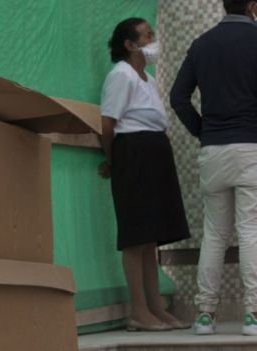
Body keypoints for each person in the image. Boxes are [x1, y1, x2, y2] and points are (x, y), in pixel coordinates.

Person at [170, 0, 257, 336]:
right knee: (250, 230)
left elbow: (179, 97)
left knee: (215, 234)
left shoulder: (202, 44)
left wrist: (203, 131)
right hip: (251, 147)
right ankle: (253, 315)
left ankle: (205, 314)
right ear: (251, 5)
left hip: (214, 150)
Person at [99, 17, 191, 331]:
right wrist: (113, 160)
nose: (153, 40)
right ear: (129, 44)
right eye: (147, 35)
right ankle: (138, 311)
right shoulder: (121, 75)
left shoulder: (148, 80)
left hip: (154, 151)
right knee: (135, 236)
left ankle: (156, 308)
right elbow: (108, 124)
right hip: (132, 152)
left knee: (151, 238)